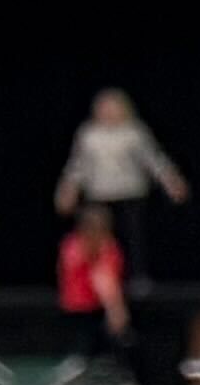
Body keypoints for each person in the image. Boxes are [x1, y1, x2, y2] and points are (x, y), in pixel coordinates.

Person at [52, 86, 190, 280]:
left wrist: (171, 181)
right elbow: (77, 166)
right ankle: (100, 280)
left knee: (133, 239)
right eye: (103, 107)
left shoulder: (134, 132)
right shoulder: (89, 135)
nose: (108, 112)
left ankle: (136, 278)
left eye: (112, 107)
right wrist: (67, 190)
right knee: (99, 239)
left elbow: (154, 161)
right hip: (100, 195)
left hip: (130, 193)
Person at [55, 204, 135, 371]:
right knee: (80, 357)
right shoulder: (72, 246)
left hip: (98, 310)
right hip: (78, 311)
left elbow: (108, 280)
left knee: (108, 355)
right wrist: (116, 310)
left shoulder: (109, 247)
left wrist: (115, 310)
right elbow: (101, 279)